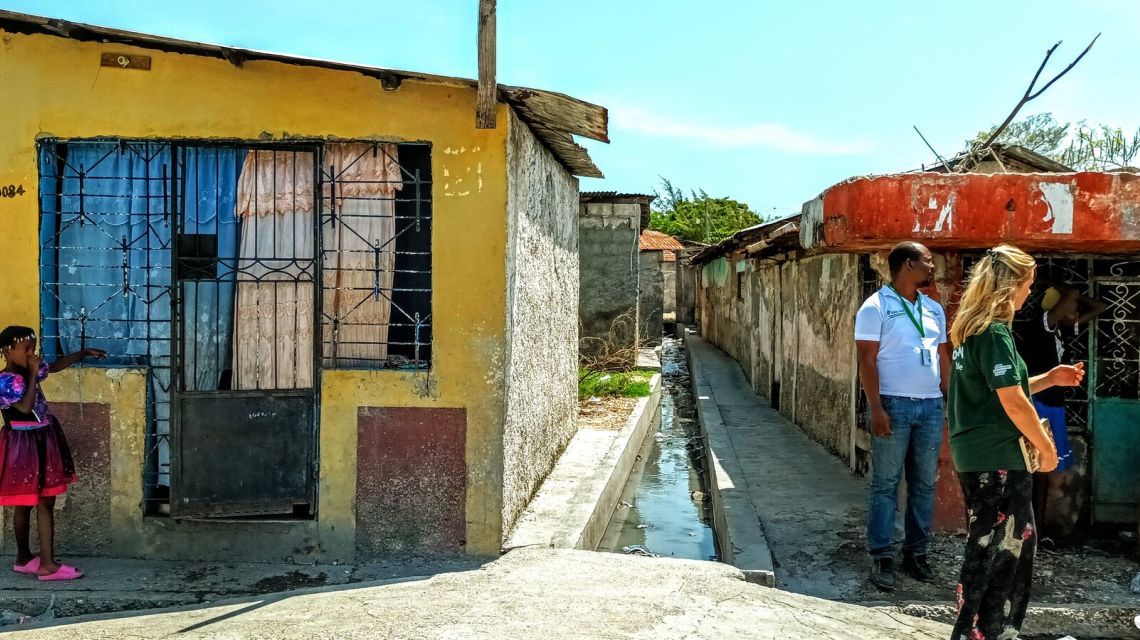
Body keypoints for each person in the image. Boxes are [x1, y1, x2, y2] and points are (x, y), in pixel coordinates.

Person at [947, 245, 1084, 640]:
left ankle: (987, 630)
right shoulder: (994, 334)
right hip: (998, 459)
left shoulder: (974, 331)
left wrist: (1048, 378)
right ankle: (982, 631)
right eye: (1026, 284)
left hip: (981, 456)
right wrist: (1047, 447)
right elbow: (1013, 402)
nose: (1029, 293)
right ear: (1009, 287)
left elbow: (1004, 389)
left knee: (1002, 546)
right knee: (999, 552)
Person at [855, 241, 951, 591]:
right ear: (909, 265)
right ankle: (881, 555)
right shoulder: (875, 307)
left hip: (929, 406)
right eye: (927, 262)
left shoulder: (933, 308)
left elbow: (943, 357)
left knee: (925, 484)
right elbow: (866, 360)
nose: (932, 267)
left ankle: (916, 553)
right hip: (893, 405)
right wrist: (876, 407)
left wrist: (948, 400)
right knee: (886, 484)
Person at [0, 326, 105, 581]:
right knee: (41, 503)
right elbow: (25, 408)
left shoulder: (30, 370)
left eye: (33, 349)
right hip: (24, 444)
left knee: (31, 503)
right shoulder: (6, 380)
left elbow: (55, 366)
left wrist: (81, 353)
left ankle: (24, 559)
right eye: (25, 349)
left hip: (42, 437)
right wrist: (34, 375)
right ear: (6, 351)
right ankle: (47, 565)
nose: (31, 354)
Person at [1015, 284, 1105, 530]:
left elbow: (1100, 307)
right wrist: (1064, 288)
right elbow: (1071, 298)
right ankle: (1031, 529)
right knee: (1037, 468)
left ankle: (1038, 529)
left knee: (1048, 470)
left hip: (1054, 402)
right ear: (1055, 307)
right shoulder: (1042, 325)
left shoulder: (1061, 331)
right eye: (1071, 306)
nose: (1075, 310)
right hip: (1040, 402)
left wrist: (1073, 294)